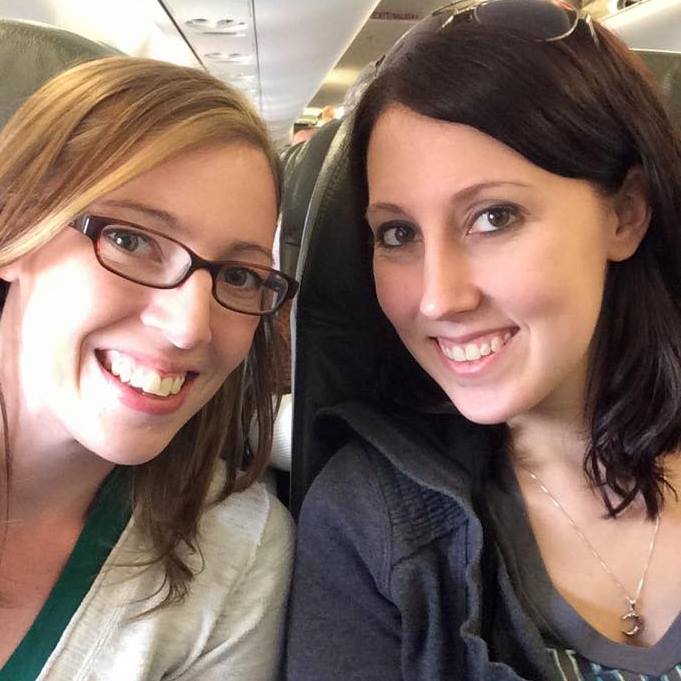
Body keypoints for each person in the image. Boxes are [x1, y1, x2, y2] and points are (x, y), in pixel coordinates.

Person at [286, 1, 681, 679]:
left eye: (494, 217)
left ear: (624, 215)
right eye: (397, 233)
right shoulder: (373, 521)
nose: (438, 298)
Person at [0, 54, 297, 680]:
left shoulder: (235, 553)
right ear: (17, 227)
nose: (190, 326)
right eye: (131, 240)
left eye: (238, 276)